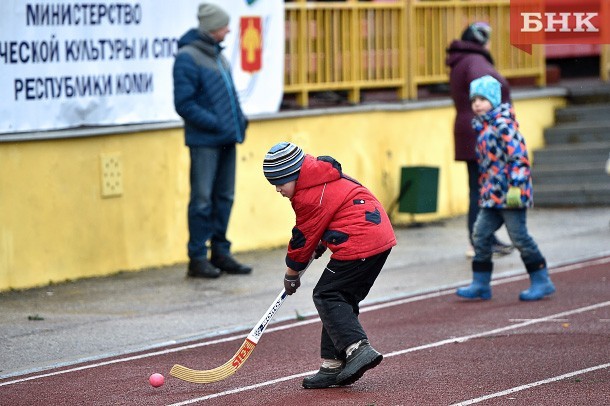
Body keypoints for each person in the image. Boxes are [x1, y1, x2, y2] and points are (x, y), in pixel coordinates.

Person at [262, 142, 396, 388]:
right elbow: (330, 217)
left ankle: (357, 348)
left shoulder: (308, 195)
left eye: (280, 182)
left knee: (327, 295)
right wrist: (322, 243)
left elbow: (302, 238)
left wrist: (291, 275)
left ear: (294, 175)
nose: (278, 189)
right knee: (339, 299)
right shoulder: (322, 177)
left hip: (360, 241)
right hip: (379, 238)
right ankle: (332, 365)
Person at [456, 75, 556, 302]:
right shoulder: (481, 127)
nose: (477, 104)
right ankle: (481, 283)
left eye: (482, 99)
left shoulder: (504, 126)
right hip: (491, 196)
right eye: (474, 100)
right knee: (480, 234)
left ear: (493, 99)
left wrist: (516, 188)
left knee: (519, 237)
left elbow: (519, 158)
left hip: (511, 194)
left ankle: (541, 279)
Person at [173, 3, 252, 278]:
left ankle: (220, 252)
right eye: (224, 25)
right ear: (211, 27)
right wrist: (216, 123)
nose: (229, 30)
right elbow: (184, 104)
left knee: (224, 197)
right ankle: (197, 257)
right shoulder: (188, 57)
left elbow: (230, 95)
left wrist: (239, 120)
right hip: (204, 142)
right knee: (202, 200)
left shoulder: (220, 57)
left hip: (227, 139)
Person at [446, 22, 514, 258]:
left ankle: (484, 238)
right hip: (481, 133)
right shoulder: (476, 62)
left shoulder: (462, 60)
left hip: (468, 131)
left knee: (478, 188)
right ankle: (480, 241)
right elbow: (484, 93)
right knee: (483, 189)